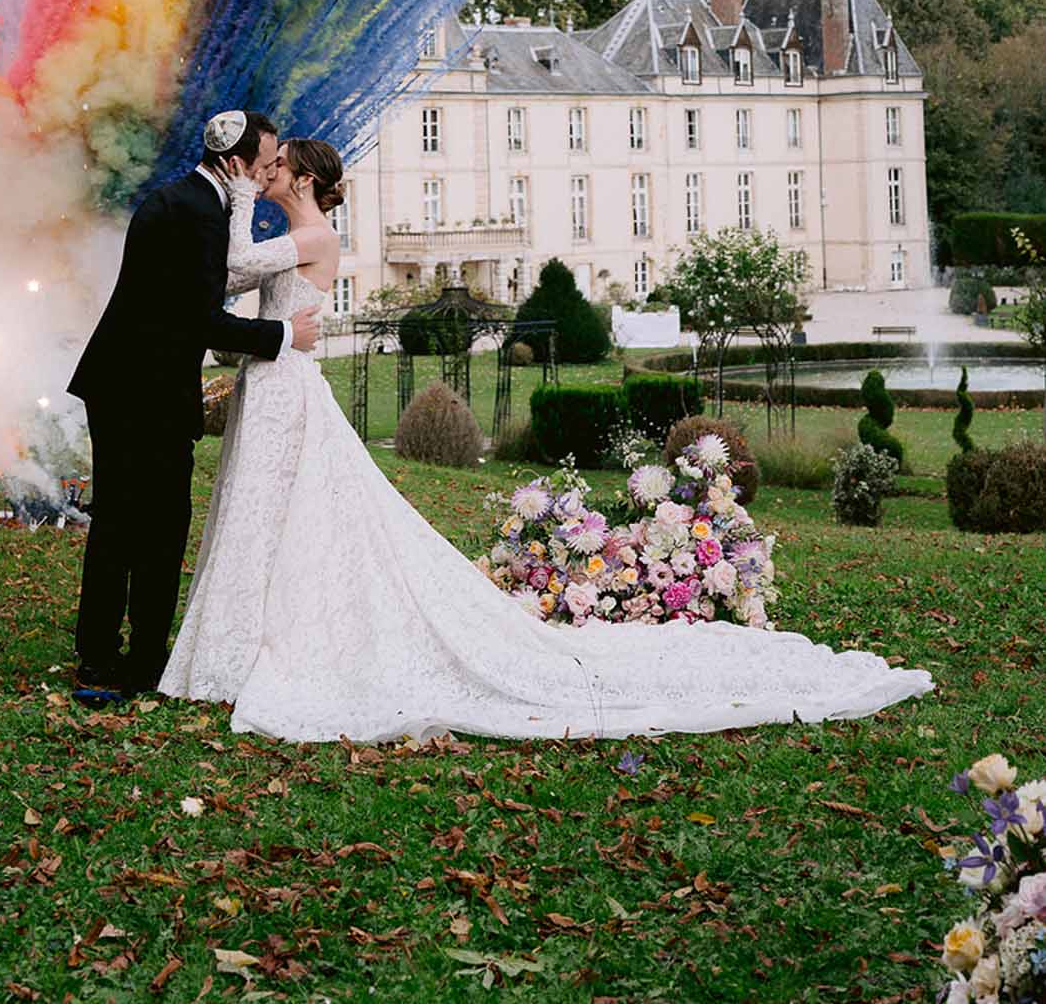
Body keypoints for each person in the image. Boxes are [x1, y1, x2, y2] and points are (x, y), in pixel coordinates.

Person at [162, 135, 935, 744]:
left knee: (295, 509)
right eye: (260, 166)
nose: (265, 171)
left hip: (288, 386)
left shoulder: (311, 236)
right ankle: (243, 638)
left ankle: (270, 644)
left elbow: (232, 263)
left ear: (300, 178)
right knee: (273, 509)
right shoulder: (294, 233)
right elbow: (229, 283)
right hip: (278, 375)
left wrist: (229, 194)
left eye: (275, 165)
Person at [67, 109, 321, 702]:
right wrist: (283, 336)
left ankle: (102, 652)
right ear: (234, 165)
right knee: (153, 529)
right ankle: (133, 661)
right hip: (143, 391)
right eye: (259, 170)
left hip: (124, 382)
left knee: (120, 525)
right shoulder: (198, 213)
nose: (262, 181)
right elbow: (197, 319)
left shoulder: (182, 200)